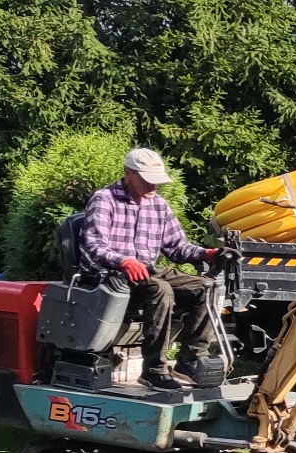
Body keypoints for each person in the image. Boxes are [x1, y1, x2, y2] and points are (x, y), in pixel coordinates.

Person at [80, 148, 221, 390]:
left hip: (146, 269)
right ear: (128, 173)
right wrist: (123, 261)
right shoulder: (104, 200)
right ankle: (153, 370)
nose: (153, 186)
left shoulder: (159, 205)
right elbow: (93, 244)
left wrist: (207, 253)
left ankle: (190, 359)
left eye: (156, 181)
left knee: (206, 287)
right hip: (109, 275)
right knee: (160, 289)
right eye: (147, 180)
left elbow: (177, 247)